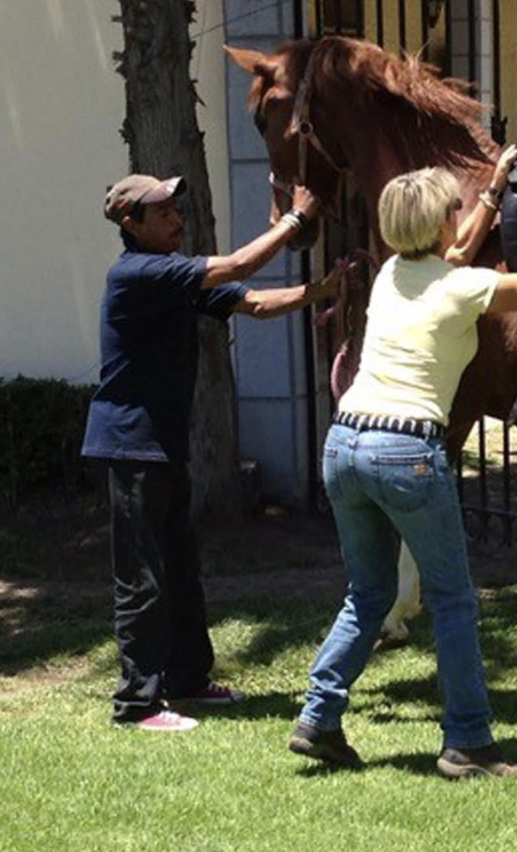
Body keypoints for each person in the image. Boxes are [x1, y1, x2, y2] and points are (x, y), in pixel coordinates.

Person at [290, 149, 517, 778]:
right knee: (453, 600)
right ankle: (467, 741)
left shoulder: (392, 276)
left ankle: (319, 716)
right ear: (436, 224)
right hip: (407, 451)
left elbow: (458, 254)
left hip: (346, 443)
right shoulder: (462, 288)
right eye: (452, 209)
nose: (457, 213)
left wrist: (493, 187)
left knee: (369, 593)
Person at [83, 173, 338, 732]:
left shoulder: (173, 275)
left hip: (163, 445)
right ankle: (137, 702)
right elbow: (240, 266)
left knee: (179, 565)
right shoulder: (139, 273)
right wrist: (296, 218)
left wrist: (322, 291)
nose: (178, 218)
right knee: (142, 574)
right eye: (164, 213)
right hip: (131, 446)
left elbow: (256, 303)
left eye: (176, 209)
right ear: (132, 224)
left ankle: (188, 681)